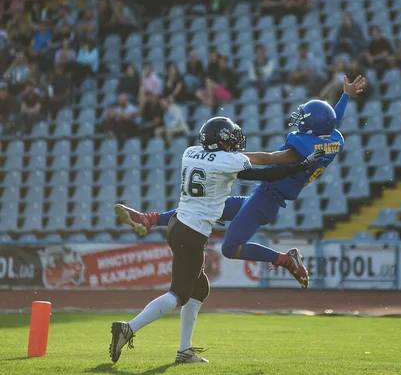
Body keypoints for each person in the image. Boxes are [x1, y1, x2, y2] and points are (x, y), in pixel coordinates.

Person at [114, 76, 367, 290]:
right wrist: (346, 96)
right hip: (265, 196)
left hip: (267, 198)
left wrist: (228, 156)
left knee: (230, 247)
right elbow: (334, 119)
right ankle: (148, 219)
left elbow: (268, 159)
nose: (300, 121)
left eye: (305, 120)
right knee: (204, 206)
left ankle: (286, 259)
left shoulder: (300, 149)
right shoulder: (330, 137)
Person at [109, 117, 326, 364]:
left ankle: (184, 351)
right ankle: (128, 328)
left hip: (178, 225)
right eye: (231, 136)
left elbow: (247, 167)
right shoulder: (227, 160)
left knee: (199, 289)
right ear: (222, 139)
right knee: (178, 294)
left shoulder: (190, 152)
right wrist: (301, 166)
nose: (235, 140)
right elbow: (267, 173)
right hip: (191, 233)